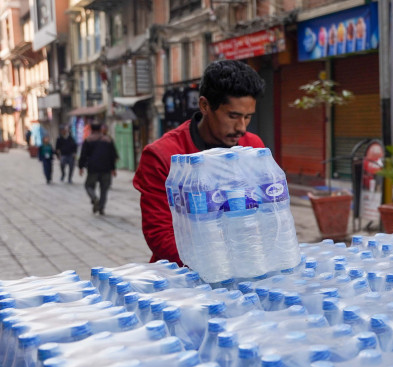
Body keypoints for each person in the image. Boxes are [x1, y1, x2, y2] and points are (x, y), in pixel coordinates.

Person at [133, 59, 266, 265]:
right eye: (233, 116)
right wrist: (218, 265)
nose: (241, 127)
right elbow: (160, 234)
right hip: (183, 276)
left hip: (246, 266)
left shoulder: (252, 147)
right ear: (204, 105)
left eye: (248, 117)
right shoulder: (163, 156)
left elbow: (265, 213)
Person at [79, 122, 119, 215]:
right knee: (104, 189)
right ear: (101, 129)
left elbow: (83, 155)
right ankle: (101, 208)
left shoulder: (88, 140)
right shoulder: (108, 140)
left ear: (91, 130)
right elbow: (112, 156)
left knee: (88, 186)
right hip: (106, 168)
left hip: (93, 168)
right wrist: (113, 169)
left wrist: (81, 167)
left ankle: (94, 198)